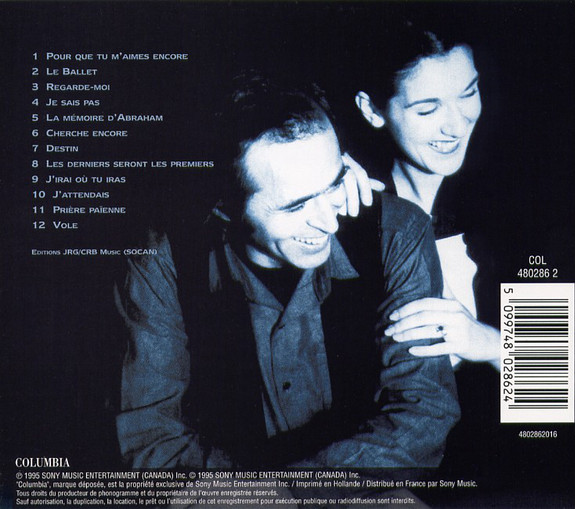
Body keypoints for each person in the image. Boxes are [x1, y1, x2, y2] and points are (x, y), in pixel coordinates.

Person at [114, 73, 459, 470]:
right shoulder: (161, 259)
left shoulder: (397, 232)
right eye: (296, 206)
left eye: (333, 186)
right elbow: (150, 440)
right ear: (225, 206)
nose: (329, 222)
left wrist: (286, 491)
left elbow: (423, 414)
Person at [351, 26, 501, 371]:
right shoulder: (355, 210)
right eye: (427, 110)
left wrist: (488, 342)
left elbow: (549, 386)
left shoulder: (520, 202)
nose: (457, 126)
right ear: (372, 110)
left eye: (468, 93)